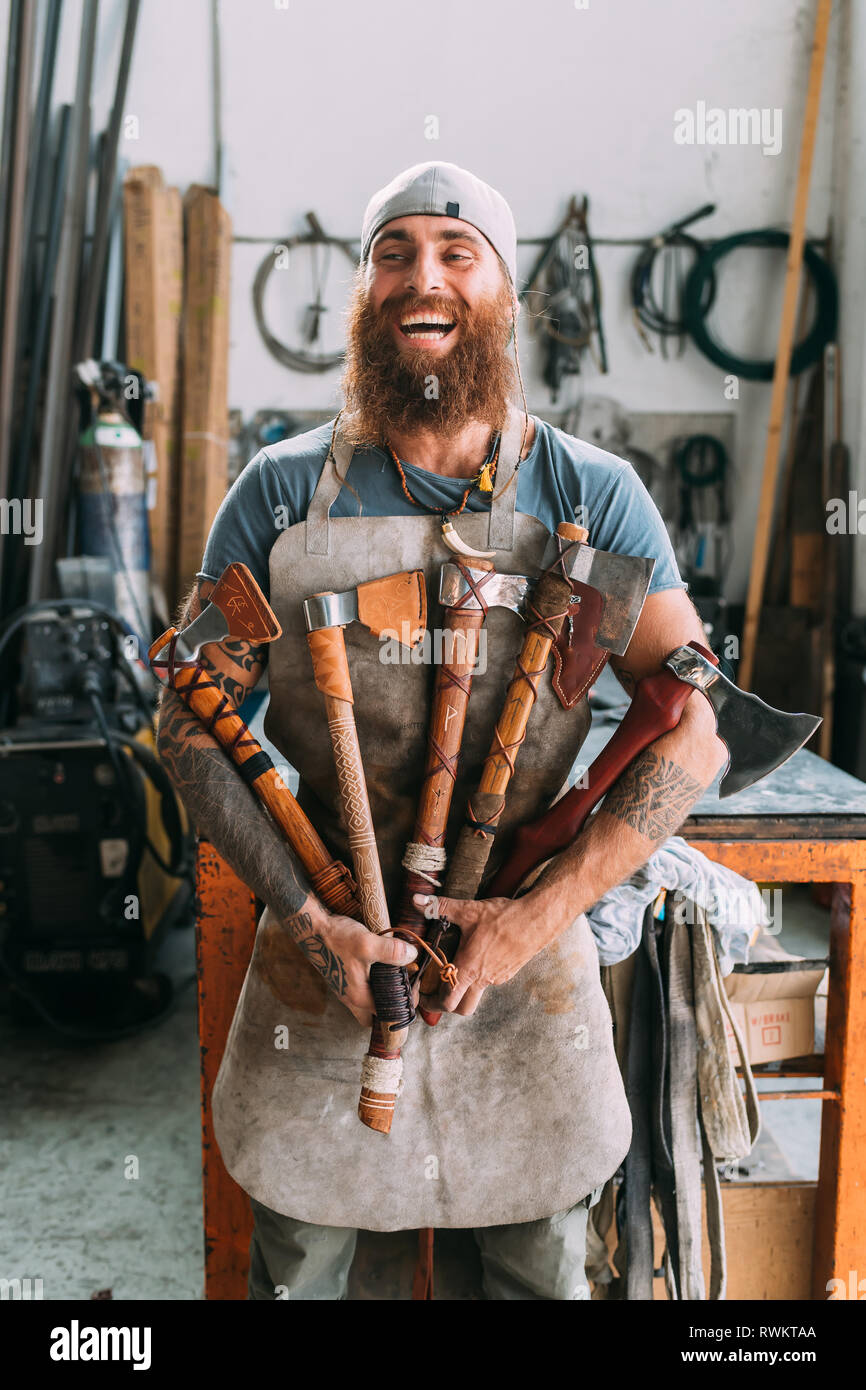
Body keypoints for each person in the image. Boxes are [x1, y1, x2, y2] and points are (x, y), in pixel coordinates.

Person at [157, 161, 726, 1300]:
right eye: (393, 252)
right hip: (327, 950)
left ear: (504, 292)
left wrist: (532, 919)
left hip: (519, 958)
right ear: (365, 292)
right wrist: (317, 924)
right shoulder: (280, 497)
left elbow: (692, 733)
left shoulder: (588, 497)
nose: (424, 276)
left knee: (537, 1263)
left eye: (456, 252)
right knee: (304, 1263)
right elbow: (189, 725)